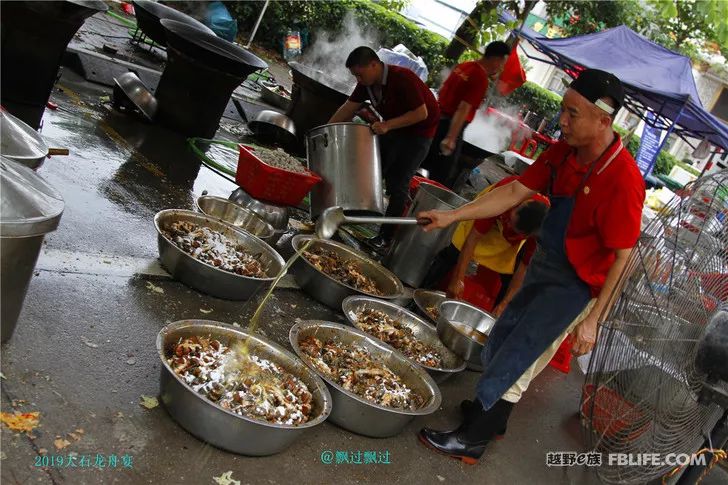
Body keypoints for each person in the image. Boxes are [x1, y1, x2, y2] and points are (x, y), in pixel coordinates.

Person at [416, 69, 646, 464]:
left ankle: (473, 440)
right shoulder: (563, 152)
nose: (563, 121)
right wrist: (454, 216)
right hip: (545, 263)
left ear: (604, 120)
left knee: (520, 354)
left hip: (575, 287)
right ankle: (494, 418)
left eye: (573, 114)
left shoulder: (624, 180)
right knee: (504, 335)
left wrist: (594, 321)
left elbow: (623, 258)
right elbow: (515, 191)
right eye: (563, 110)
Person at [328, 46, 440, 248]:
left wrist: (388, 125)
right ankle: (352, 212)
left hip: (419, 134)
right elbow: (348, 108)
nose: (358, 80)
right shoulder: (366, 83)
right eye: (355, 76)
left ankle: (386, 238)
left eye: (359, 74)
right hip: (394, 128)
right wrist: (324, 130)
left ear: (374, 65)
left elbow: (421, 113)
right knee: (369, 166)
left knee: (398, 183)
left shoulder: (403, 78)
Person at [420, 175, 550, 315]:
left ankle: (495, 318)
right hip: (492, 211)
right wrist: (458, 279)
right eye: (510, 219)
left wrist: (505, 304)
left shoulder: (542, 230)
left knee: (508, 282)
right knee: (452, 254)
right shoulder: (503, 195)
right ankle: (422, 295)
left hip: (511, 237)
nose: (508, 224)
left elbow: (524, 267)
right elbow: (472, 239)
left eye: (512, 227)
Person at [420, 41, 510, 188]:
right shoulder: (480, 77)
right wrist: (451, 138)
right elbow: (463, 109)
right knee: (440, 179)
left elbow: (443, 89)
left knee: (423, 163)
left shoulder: (465, 66)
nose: (501, 68)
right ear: (496, 60)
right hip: (448, 127)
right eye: (502, 63)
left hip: (436, 120)